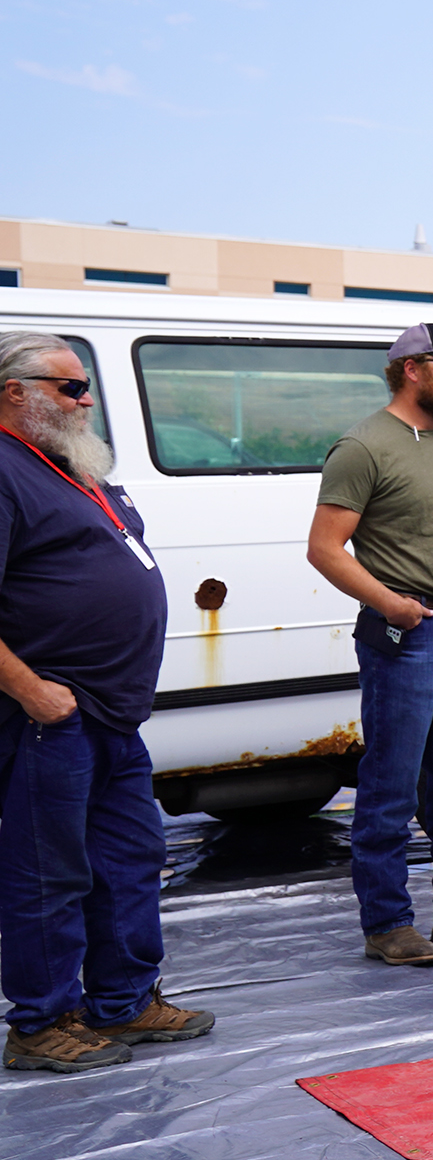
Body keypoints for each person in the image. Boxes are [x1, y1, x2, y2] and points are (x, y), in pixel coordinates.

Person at [0, 335, 214, 1073]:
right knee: (47, 871)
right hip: (50, 717)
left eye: (84, 386)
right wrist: (32, 690)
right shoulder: (4, 470)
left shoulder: (71, 466)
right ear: (14, 393)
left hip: (111, 715)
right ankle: (39, 1022)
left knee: (130, 857)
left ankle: (122, 1000)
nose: (85, 399)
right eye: (68, 387)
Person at [307, 322, 433, 969]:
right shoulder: (363, 447)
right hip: (404, 634)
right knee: (390, 783)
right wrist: (390, 602)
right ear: (414, 369)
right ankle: (387, 923)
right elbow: (324, 548)